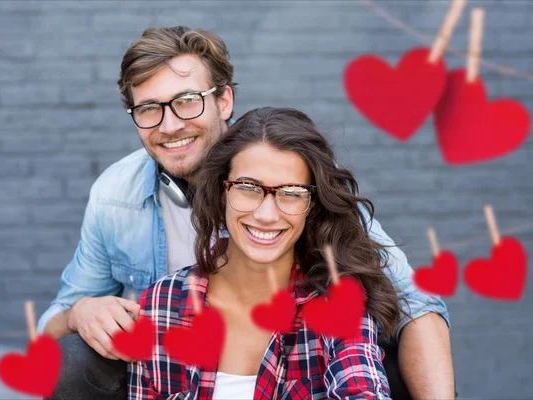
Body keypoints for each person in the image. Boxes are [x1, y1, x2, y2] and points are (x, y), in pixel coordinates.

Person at [38, 26, 454, 399]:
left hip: (296, 365)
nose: (168, 126)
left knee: (394, 356)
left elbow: (418, 307)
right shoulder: (117, 197)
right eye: (149, 109)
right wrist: (80, 312)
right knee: (71, 359)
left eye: (186, 101)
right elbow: (54, 323)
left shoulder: (285, 171)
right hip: (179, 372)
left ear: (224, 100)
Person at [128, 106, 400, 399]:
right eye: (248, 188)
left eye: (292, 193)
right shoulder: (161, 305)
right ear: (223, 192)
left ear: (313, 206)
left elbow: (361, 388)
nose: (267, 215)